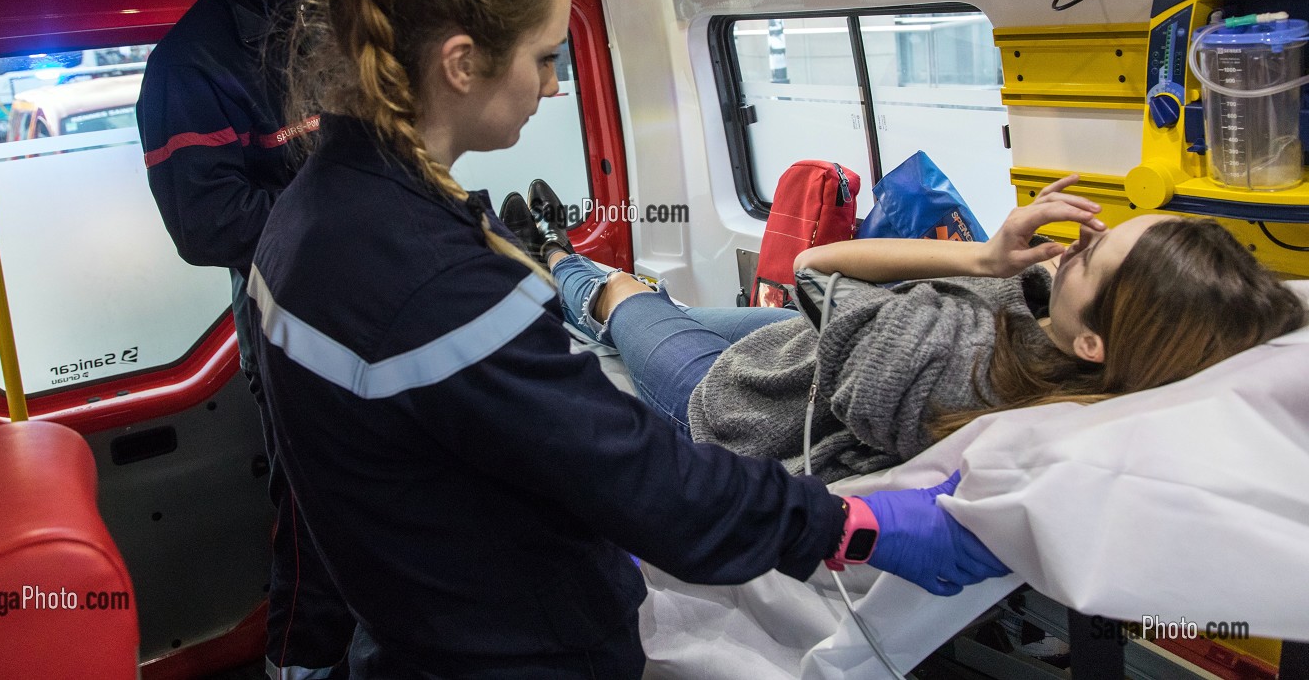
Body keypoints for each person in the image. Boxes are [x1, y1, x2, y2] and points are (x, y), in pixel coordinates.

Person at [250, 0, 1009, 679]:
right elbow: (646, 479)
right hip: (510, 653)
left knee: (639, 317)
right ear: (462, 63)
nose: (550, 83)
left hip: (416, 628)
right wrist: (856, 525)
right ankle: (571, 271)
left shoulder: (314, 209)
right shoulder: (433, 283)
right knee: (641, 321)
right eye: (544, 56)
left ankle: (566, 268)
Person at [519, 176, 1305, 483]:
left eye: (1090, 261)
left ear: (1096, 341)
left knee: (627, 300)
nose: (1072, 250)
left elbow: (816, 263)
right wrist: (1012, 271)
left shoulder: (953, 365)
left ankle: (544, 249)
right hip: (794, 350)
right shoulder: (1066, 347)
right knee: (676, 312)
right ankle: (547, 256)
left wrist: (984, 253)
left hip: (741, 401)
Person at [135, 0, 355, 679]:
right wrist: (355, 210)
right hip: (290, 308)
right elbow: (208, 224)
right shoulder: (186, 66)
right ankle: (295, 665)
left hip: (383, 290)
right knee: (316, 509)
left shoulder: (337, 11)